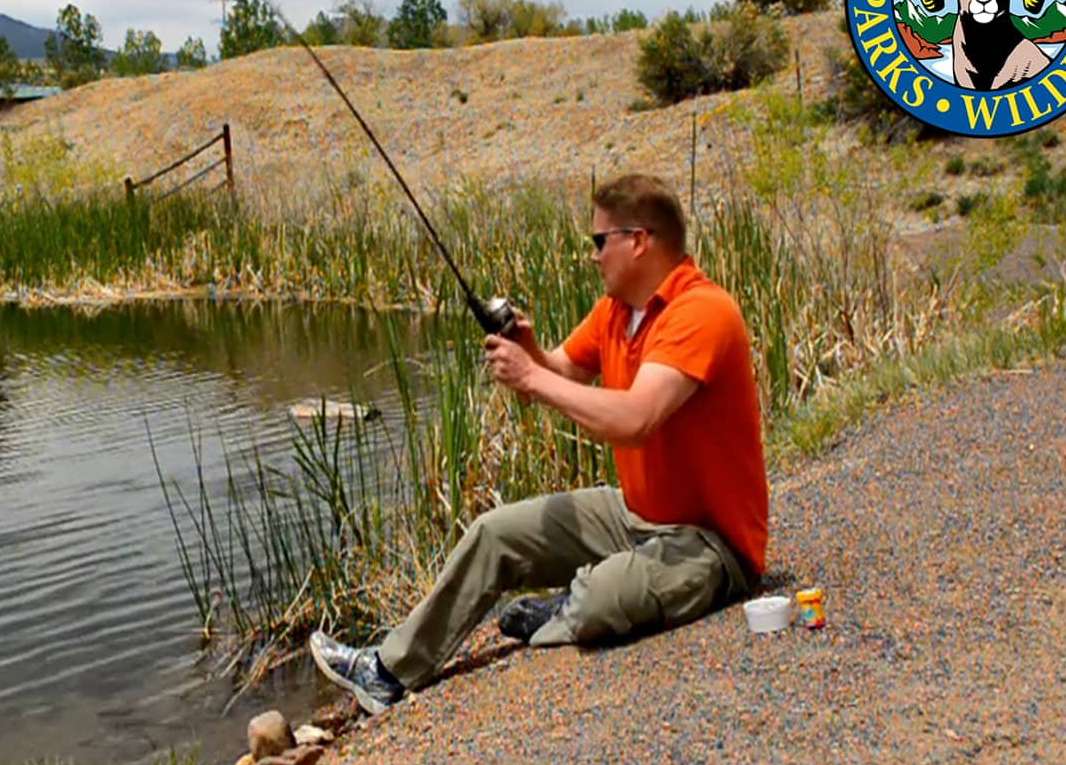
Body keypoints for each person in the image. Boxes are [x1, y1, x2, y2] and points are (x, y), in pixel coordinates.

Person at [308, 173, 769, 714]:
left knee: (600, 599)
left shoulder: (701, 313)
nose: (592, 255)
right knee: (493, 533)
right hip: (634, 515)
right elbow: (564, 370)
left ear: (639, 241)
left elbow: (637, 419)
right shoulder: (616, 310)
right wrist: (530, 352)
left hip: (710, 546)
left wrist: (530, 377)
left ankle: (566, 605)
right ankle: (387, 671)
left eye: (600, 241)